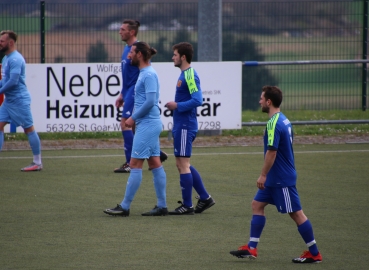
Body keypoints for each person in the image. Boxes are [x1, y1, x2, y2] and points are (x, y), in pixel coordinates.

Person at [230, 86, 322, 263]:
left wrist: (263, 175)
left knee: (296, 214)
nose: (259, 101)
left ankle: (315, 253)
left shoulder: (273, 123)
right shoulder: (284, 120)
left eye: (261, 98)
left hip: (281, 179)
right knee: (257, 204)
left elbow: (272, 152)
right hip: (276, 178)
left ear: (269, 102)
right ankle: (252, 248)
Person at [104, 42, 168, 216]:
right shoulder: (144, 73)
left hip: (148, 124)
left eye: (132, 52)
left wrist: (132, 118)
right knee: (155, 162)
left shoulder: (148, 74)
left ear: (140, 54)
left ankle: (124, 207)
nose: (128, 56)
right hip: (148, 124)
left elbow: (150, 102)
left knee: (134, 164)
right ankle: (162, 206)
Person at [165, 42, 215, 215]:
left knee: (183, 164)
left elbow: (198, 100)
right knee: (181, 164)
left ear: (183, 57)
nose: (173, 57)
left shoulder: (190, 75)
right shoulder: (184, 74)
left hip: (186, 125)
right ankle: (205, 197)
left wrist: (176, 105)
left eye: (175, 54)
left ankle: (187, 205)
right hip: (181, 124)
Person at [114, 19, 167, 173]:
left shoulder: (137, 50)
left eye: (123, 29)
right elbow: (126, 75)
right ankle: (154, 151)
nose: (120, 31)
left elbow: (141, 74)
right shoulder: (127, 49)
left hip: (134, 91)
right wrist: (122, 93)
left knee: (126, 123)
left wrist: (130, 93)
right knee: (135, 125)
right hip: (128, 91)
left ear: (132, 32)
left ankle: (130, 162)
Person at [0, 30, 42, 171]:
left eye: (2, 41)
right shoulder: (5, 58)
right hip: (9, 101)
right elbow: (5, 81)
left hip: (19, 100)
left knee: (28, 129)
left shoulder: (16, 59)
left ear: (10, 43)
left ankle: (37, 162)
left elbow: (13, 81)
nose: (0, 43)